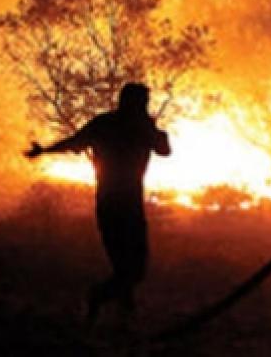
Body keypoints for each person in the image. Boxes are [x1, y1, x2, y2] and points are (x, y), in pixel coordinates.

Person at [25, 82, 171, 323]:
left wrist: (45, 151)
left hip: (118, 204)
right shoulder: (129, 126)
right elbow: (163, 149)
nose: (144, 106)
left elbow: (163, 149)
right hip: (119, 204)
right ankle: (99, 299)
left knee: (129, 267)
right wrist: (45, 151)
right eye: (142, 102)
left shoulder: (110, 124)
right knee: (132, 269)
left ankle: (122, 316)